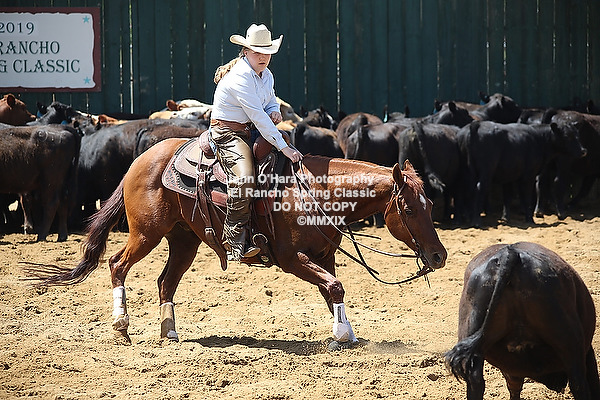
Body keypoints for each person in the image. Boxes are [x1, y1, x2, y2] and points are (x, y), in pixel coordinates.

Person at [210, 23, 303, 261]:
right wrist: (284, 147)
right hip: (227, 133)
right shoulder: (240, 77)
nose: (263, 57)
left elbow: (270, 101)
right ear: (245, 52)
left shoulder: (266, 75)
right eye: (257, 52)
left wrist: (275, 111)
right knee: (244, 179)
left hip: (249, 130)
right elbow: (257, 115)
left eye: (267, 52)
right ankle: (233, 238)